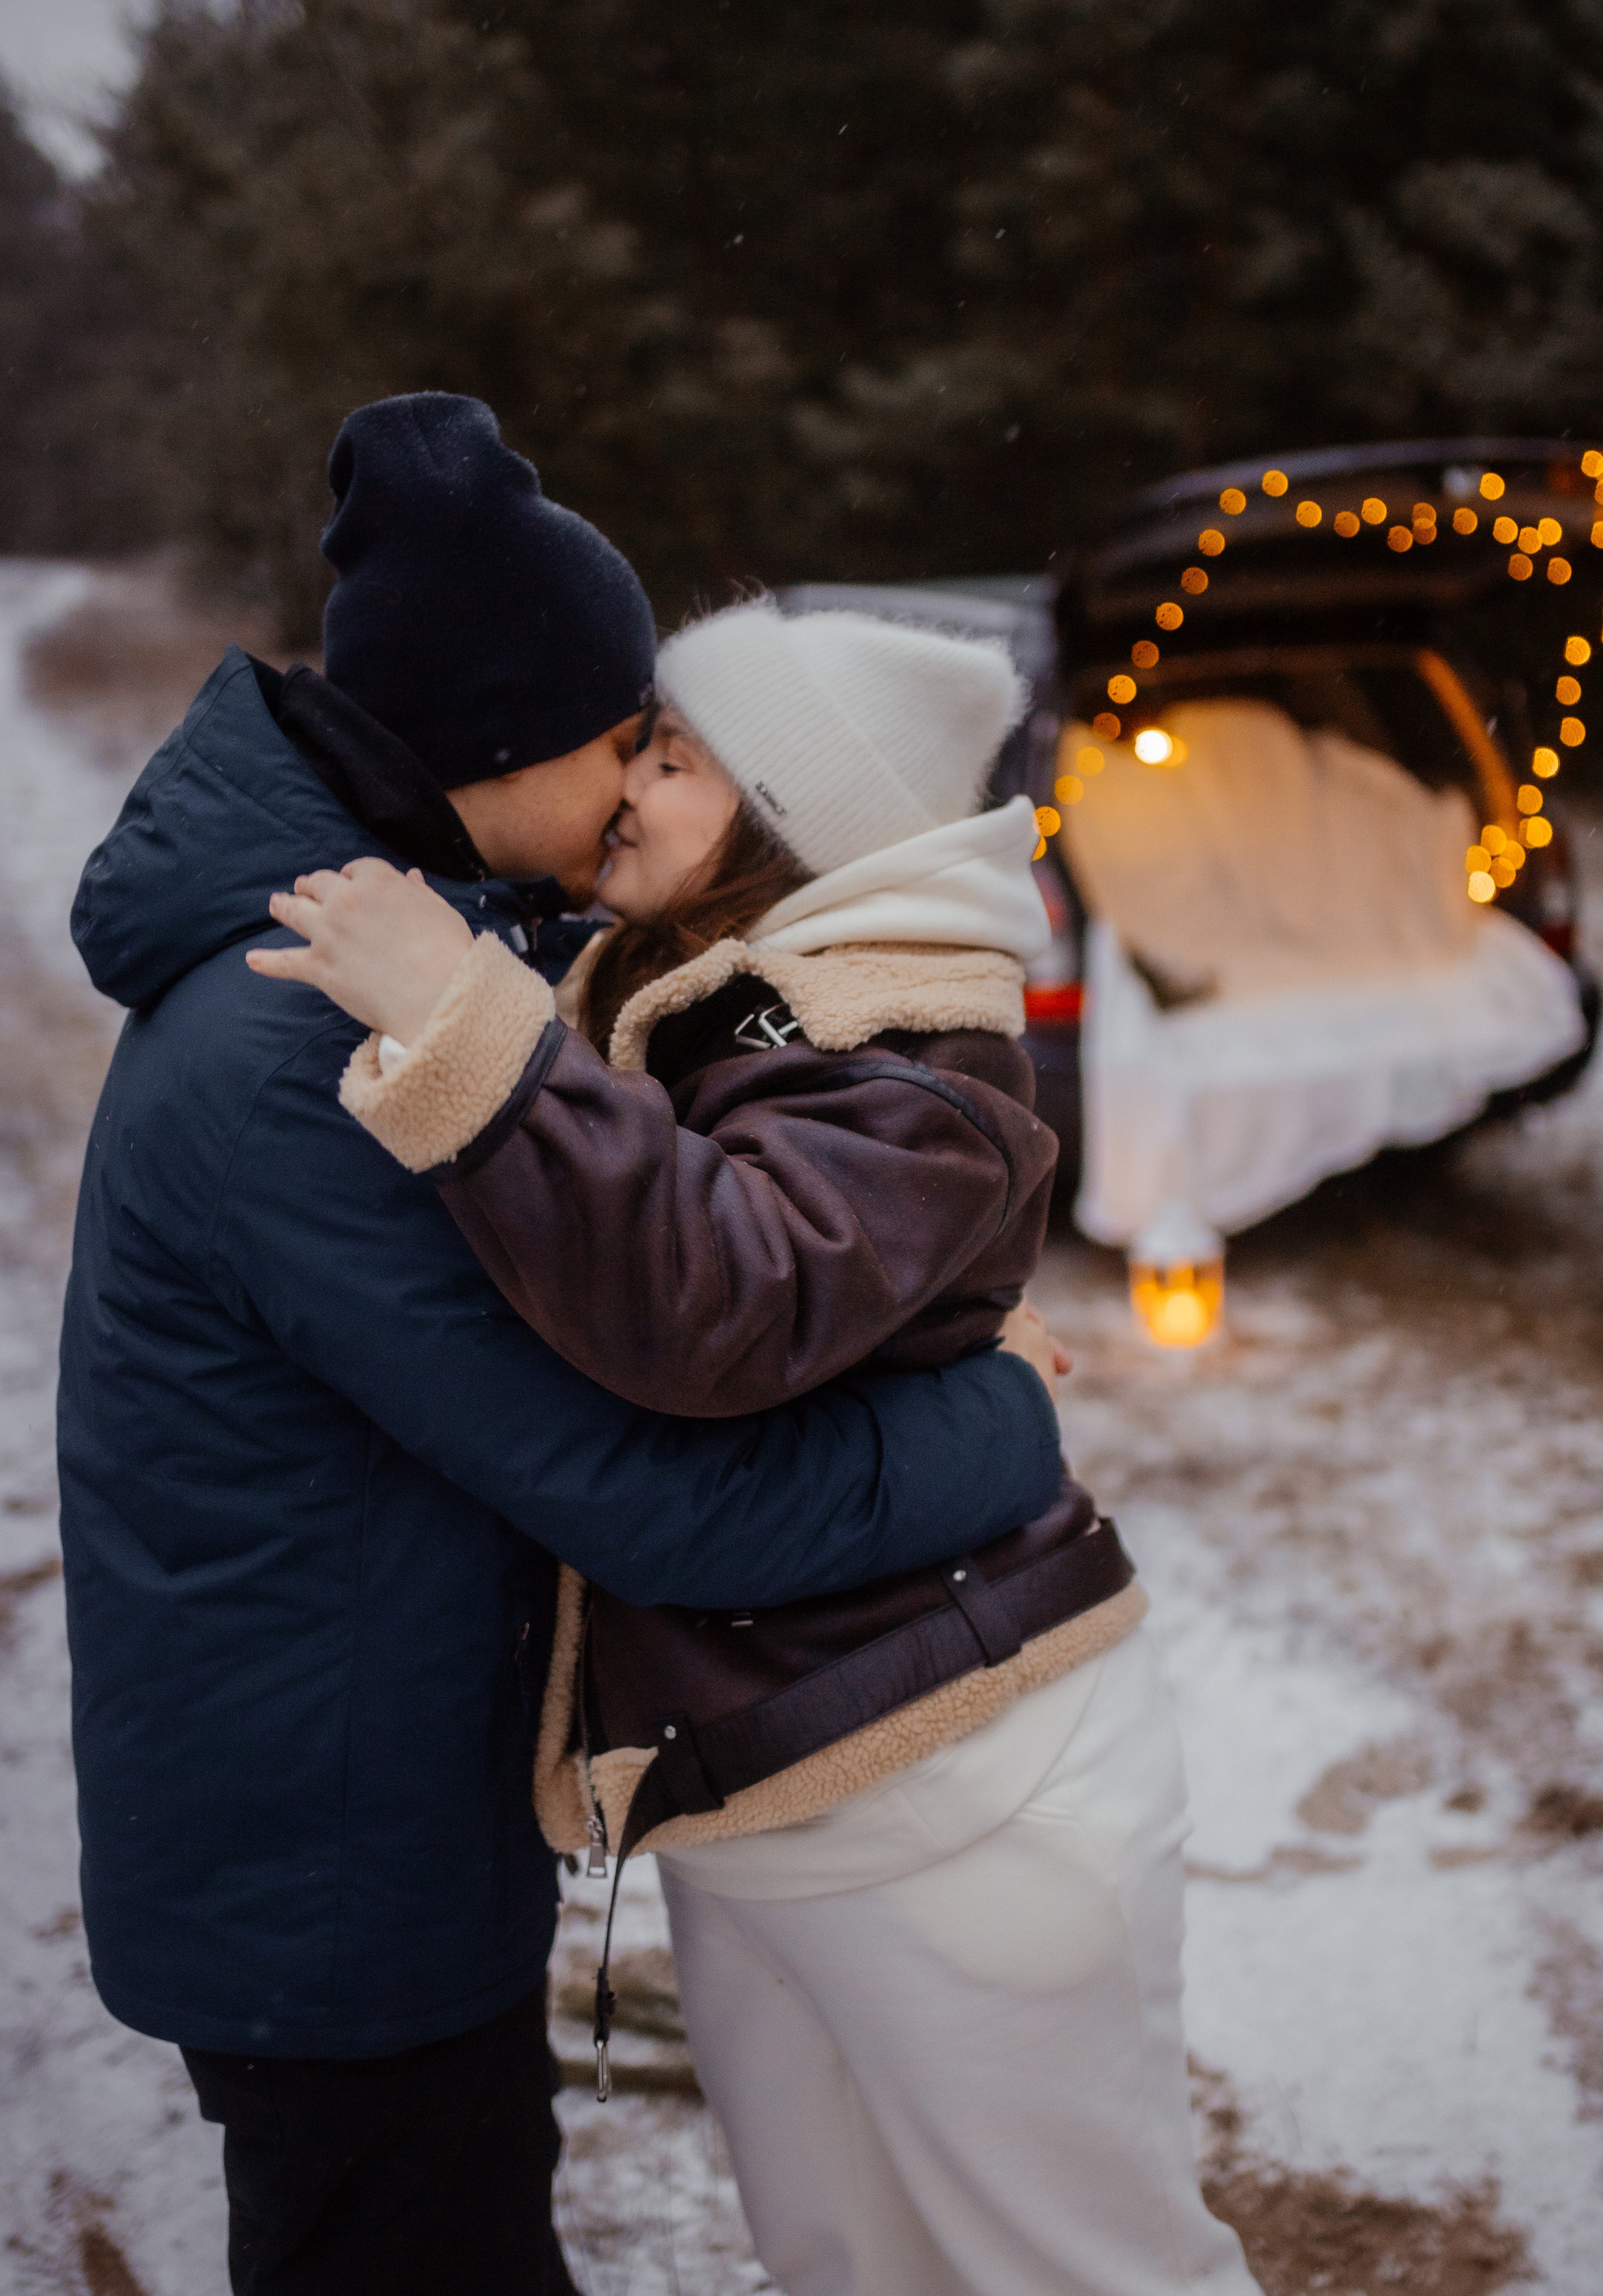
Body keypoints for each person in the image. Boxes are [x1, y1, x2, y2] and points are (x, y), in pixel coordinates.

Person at [57, 393, 1067, 2296]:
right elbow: (652, 1488)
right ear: (501, 741)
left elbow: (667, 1251)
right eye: (624, 737)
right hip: (332, 1875)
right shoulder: (310, 1046)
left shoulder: (417, 954)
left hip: (360, 1826)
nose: (635, 779)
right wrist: (997, 1422)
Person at [259, 594, 1261, 2296]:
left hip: (961, 1794)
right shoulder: (691, 996)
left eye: (671, 755)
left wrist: (462, 1028)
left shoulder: (906, 1047)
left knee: (1082, 2267)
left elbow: (717, 1295)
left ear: (789, 822)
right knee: (845, 2260)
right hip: (771, 1786)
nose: (622, 787)